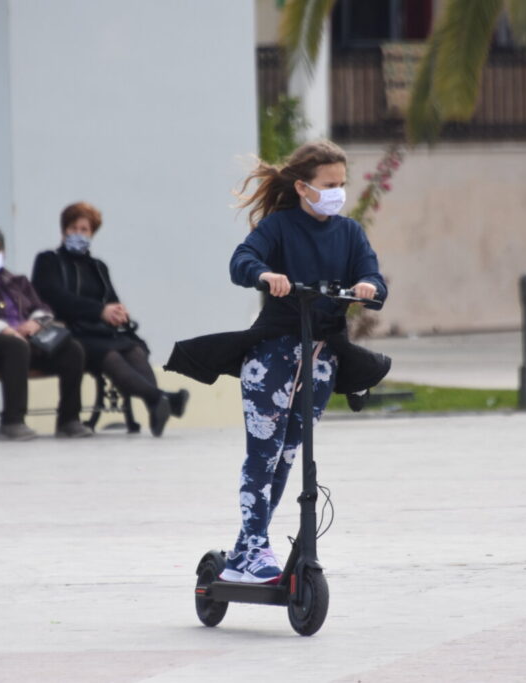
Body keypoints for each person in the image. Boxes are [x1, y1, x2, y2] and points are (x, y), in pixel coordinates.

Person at [164, 140, 390, 583]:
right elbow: (241, 260)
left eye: (342, 184)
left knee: (290, 455)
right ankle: (252, 548)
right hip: (272, 356)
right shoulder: (279, 227)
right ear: (304, 187)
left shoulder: (349, 233)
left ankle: (252, 545)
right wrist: (265, 275)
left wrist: (366, 285)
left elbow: (374, 277)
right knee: (263, 453)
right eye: (329, 185)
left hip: (322, 357)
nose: (337, 193)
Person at [32, 202, 189, 437]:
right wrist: (99, 311)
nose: (78, 234)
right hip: (71, 333)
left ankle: (155, 405)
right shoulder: (48, 261)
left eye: (84, 229)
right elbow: (56, 297)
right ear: (64, 230)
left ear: (92, 233)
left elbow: (110, 299)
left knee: (134, 350)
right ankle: (163, 399)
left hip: (101, 331)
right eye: (73, 228)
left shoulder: (98, 266)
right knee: (111, 356)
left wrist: (118, 314)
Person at [0, 226, 91, 440]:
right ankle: (12, 422)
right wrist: (5, 329)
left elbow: (42, 308)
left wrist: (35, 323)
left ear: (2, 252)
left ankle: (69, 420)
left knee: (72, 349)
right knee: (15, 345)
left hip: (31, 341)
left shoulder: (17, 281)